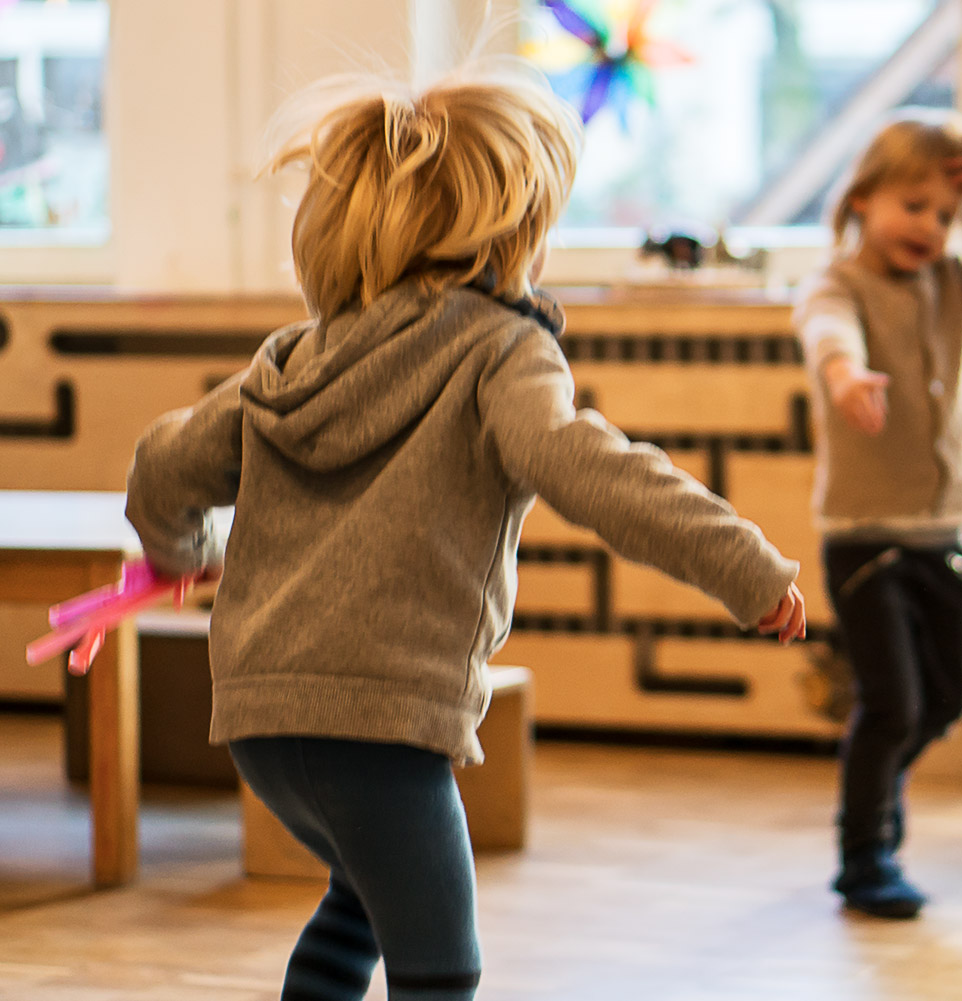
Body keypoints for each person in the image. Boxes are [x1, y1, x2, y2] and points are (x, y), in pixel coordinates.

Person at [123, 56, 805, 1001]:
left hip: (258, 716)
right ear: (517, 228)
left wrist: (181, 553)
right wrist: (748, 568)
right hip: (383, 724)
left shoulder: (288, 361)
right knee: (442, 966)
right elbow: (590, 466)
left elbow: (163, 464)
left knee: (358, 904)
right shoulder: (502, 348)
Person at [793, 108, 962, 919]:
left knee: (948, 695)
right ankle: (864, 854)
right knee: (892, 702)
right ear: (862, 199)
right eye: (914, 207)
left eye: (948, 215)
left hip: (947, 529)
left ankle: (877, 789)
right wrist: (844, 375)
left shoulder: (953, 283)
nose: (932, 227)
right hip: (866, 537)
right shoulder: (837, 283)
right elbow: (823, 328)